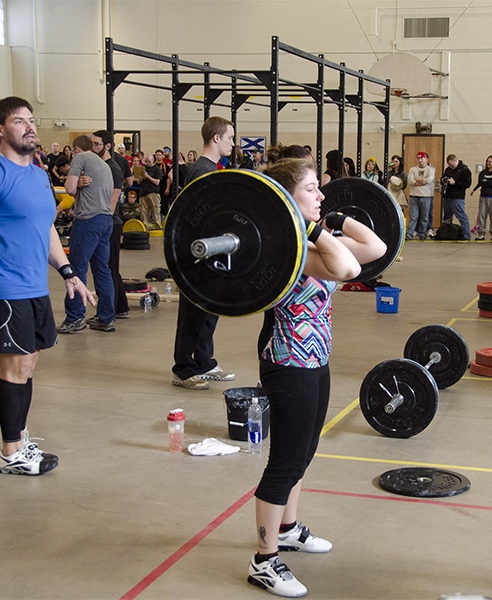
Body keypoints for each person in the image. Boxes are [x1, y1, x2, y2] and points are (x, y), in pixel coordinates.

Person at [248, 157, 386, 597]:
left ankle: (287, 528)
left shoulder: (317, 243)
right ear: (288, 198)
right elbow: (347, 269)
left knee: (305, 451)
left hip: (316, 358)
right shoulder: (289, 248)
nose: (322, 195)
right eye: (311, 189)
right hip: (288, 362)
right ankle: (264, 561)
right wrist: (315, 230)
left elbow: (377, 249)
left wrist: (335, 219)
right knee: (285, 461)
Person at [0, 96, 94, 475]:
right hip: (3, 289)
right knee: (14, 369)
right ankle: (11, 452)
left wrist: (68, 273)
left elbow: (46, 228)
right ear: (0, 129)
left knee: (28, 365)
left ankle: (19, 438)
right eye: (20, 121)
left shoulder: (36, 174)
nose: (30, 126)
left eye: (31, 120)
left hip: (35, 288)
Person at [171, 116, 236, 390]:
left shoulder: (213, 168)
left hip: (214, 252)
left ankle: (205, 362)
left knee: (210, 311)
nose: (233, 143)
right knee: (193, 313)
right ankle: (184, 369)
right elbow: (196, 218)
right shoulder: (201, 171)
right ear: (216, 138)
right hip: (198, 254)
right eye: (230, 138)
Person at [58, 135, 116, 333]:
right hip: (105, 220)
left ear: (76, 149)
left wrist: (77, 184)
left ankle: (75, 318)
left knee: (76, 269)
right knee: (102, 270)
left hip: (88, 221)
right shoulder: (104, 164)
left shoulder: (81, 159)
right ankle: (106, 318)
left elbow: (69, 188)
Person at [91, 129, 130, 320]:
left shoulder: (112, 168)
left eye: (97, 144)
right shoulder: (100, 166)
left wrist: (102, 224)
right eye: (92, 143)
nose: (94, 147)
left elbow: (112, 202)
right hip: (106, 221)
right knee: (110, 266)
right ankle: (121, 307)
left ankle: (110, 311)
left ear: (107, 146)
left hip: (110, 222)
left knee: (108, 268)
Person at [440, 154, 472, 240]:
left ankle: (466, 235)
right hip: (447, 196)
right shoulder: (448, 169)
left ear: (456, 161)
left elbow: (467, 184)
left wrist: (455, 183)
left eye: (452, 165)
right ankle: (445, 234)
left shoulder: (465, 170)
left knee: (461, 216)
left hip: (457, 197)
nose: (451, 167)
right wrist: (443, 180)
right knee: (447, 217)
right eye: (449, 165)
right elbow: (443, 178)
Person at [470, 155, 492, 240]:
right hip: (483, 196)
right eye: (487, 161)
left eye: (490, 161)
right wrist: (489, 181)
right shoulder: (483, 173)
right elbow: (481, 182)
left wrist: (486, 181)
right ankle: (481, 233)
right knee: (482, 215)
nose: (488, 163)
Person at [406, 151, 435, 240]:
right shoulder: (412, 169)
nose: (420, 160)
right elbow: (410, 181)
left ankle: (422, 233)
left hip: (426, 196)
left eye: (422, 158)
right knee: (413, 217)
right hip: (414, 196)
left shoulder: (431, 169)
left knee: (424, 217)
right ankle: (409, 234)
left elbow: (429, 180)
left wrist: (417, 180)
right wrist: (423, 181)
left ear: (426, 159)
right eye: (418, 158)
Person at [139, 152, 163, 229]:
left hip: (153, 193)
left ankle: (157, 226)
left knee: (155, 211)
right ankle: (145, 227)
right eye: (146, 161)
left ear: (153, 160)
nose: (147, 163)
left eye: (149, 161)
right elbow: (139, 182)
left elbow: (157, 182)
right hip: (143, 192)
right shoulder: (143, 168)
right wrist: (141, 177)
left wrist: (148, 176)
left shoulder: (157, 169)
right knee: (143, 212)